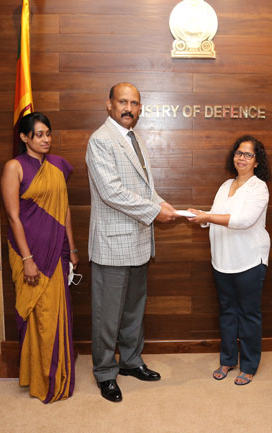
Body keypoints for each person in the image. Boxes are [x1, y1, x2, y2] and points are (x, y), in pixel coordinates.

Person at [85, 82, 178, 403]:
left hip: (138, 241)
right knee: (107, 314)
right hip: (112, 245)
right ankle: (105, 372)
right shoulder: (100, 140)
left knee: (133, 311)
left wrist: (169, 208)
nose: (129, 108)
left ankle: (131, 361)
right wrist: (156, 211)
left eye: (134, 103)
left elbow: (144, 189)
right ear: (108, 104)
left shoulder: (134, 137)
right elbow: (111, 192)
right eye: (122, 102)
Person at [0, 112, 78, 403]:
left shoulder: (57, 166)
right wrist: (27, 258)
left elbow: (65, 209)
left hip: (57, 249)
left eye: (48, 134)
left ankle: (58, 375)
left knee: (56, 315)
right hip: (28, 252)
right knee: (36, 316)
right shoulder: (14, 167)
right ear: (24, 137)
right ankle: (38, 378)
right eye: (40, 134)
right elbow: (12, 216)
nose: (46, 139)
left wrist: (73, 248)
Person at [187, 135, 271, 386]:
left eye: (248, 154)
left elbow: (243, 221)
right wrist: (200, 217)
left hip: (249, 261)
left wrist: (208, 217)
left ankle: (249, 365)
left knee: (248, 314)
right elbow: (214, 216)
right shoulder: (225, 185)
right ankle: (227, 359)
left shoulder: (259, 187)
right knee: (227, 313)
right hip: (222, 261)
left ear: (257, 161)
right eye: (238, 153)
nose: (242, 158)